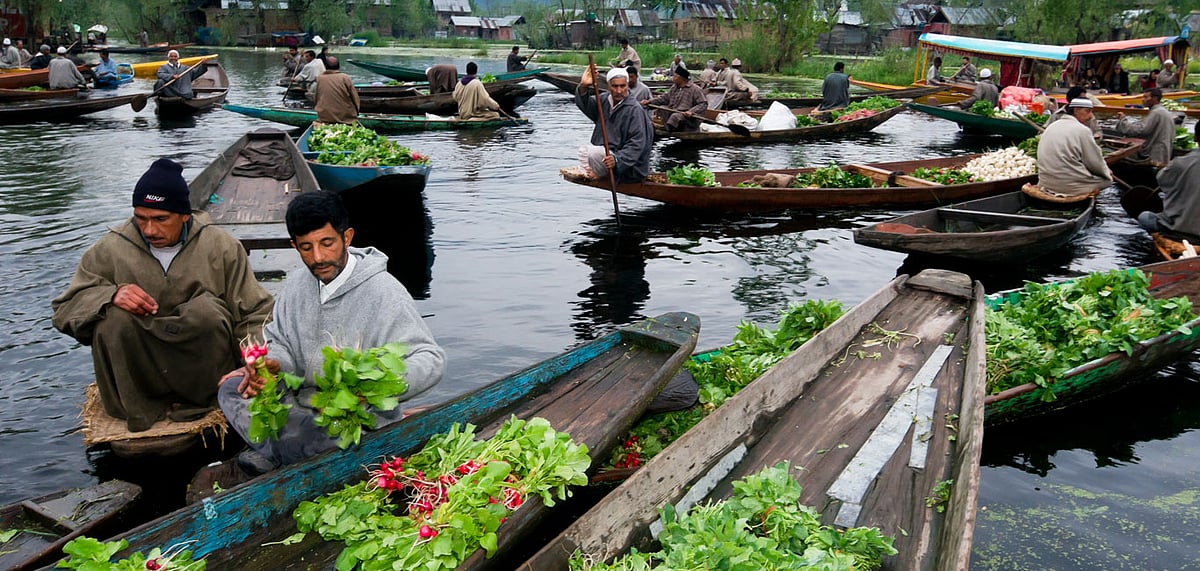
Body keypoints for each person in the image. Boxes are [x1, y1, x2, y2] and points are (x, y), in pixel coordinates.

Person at [217, 191, 445, 472]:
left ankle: (277, 450)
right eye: (306, 247)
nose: (318, 257)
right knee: (231, 389)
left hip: (355, 419)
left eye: (327, 243)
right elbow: (280, 343)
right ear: (294, 245)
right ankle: (286, 449)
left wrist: (375, 385)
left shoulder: (384, 292)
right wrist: (273, 366)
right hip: (303, 410)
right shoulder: (295, 286)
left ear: (346, 237)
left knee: (329, 433)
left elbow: (430, 358)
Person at [51, 158, 274, 433]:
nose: (149, 230)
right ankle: (140, 408)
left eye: (160, 219)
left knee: (206, 312)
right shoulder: (109, 249)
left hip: (202, 377)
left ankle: (200, 403)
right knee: (112, 319)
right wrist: (110, 295)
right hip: (139, 377)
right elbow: (64, 310)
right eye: (140, 218)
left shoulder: (221, 247)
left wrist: (254, 361)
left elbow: (255, 311)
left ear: (184, 215)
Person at [575, 66, 653, 183]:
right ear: (608, 86)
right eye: (615, 86)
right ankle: (599, 170)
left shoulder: (634, 109)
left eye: (622, 86)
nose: (619, 91)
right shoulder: (604, 100)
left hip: (629, 166)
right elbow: (587, 106)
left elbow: (637, 144)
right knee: (584, 151)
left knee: (594, 153)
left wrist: (617, 160)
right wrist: (583, 86)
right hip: (609, 154)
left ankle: (602, 172)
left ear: (627, 85)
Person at [1035, 98, 1112, 197]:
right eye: (1088, 111)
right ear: (1076, 111)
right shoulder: (1083, 130)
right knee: (1108, 181)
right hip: (1068, 187)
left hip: (1045, 183)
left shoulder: (1052, 126)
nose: (1091, 116)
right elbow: (1094, 162)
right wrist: (1106, 172)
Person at [1136, 121, 1200, 239]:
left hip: (1176, 229)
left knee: (1145, 216)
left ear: (1195, 137)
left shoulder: (1180, 163)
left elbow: (1162, 181)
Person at [1115, 88, 1175, 168]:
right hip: (1163, 151)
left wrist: (1123, 121)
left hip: (1155, 154)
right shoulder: (1162, 111)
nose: (1143, 100)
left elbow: (1141, 130)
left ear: (1155, 98)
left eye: (1146, 97)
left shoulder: (1156, 112)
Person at [642, 67, 706, 132]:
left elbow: (703, 104)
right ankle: (667, 127)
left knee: (675, 116)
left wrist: (691, 111)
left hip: (688, 117)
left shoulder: (695, 89)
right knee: (662, 108)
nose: (673, 78)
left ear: (681, 78)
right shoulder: (674, 87)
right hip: (674, 111)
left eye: (675, 76)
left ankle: (668, 129)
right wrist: (649, 101)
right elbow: (664, 98)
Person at [314, 56, 360, 125]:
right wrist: (357, 112)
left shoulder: (319, 78)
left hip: (325, 118)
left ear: (325, 67)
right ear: (338, 66)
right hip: (345, 118)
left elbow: (316, 98)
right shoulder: (345, 77)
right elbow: (355, 98)